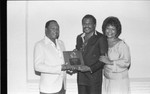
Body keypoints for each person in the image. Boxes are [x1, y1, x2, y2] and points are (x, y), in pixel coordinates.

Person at [75, 14, 108, 94]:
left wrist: (90, 68)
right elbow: (77, 55)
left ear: (94, 25)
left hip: (94, 79)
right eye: (84, 24)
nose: (86, 26)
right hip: (81, 79)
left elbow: (103, 60)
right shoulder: (79, 37)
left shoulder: (101, 38)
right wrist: (72, 65)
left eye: (89, 23)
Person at [34, 20, 69, 94]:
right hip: (49, 89)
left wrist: (70, 67)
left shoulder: (61, 43)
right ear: (46, 30)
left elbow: (64, 62)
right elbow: (37, 66)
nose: (56, 31)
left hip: (62, 87)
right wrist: (60, 68)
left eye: (57, 28)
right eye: (53, 28)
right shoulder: (40, 45)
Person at [99, 16, 131, 94]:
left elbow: (127, 62)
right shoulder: (102, 43)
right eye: (108, 28)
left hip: (119, 82)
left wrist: (110, 62)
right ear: (104, 29)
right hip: (106, 80)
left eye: (113, 29)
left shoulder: (122, 45)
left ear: (117, 30)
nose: (110, 31)